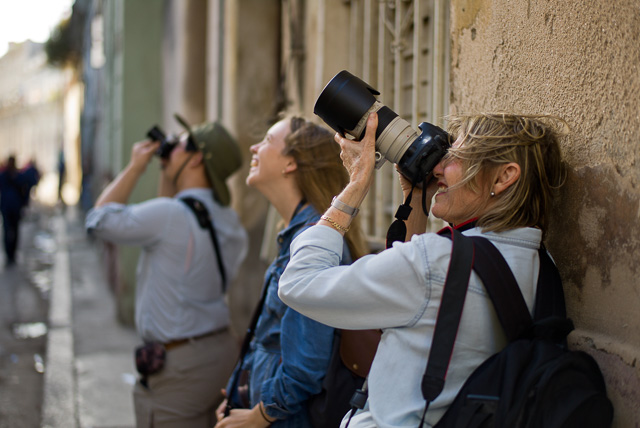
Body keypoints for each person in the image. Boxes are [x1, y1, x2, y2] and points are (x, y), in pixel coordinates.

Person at [278, 112, 567, 427]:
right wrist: (416, 199)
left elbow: (300, 284)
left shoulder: (437, 262)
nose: (439, 167)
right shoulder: (543, 265)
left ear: (503, 177)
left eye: (456, 157)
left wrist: (355, 185)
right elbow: (426, 311)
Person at [85, 116, 249, 427]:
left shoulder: (170, 216)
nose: (169, 148)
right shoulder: (229, 221)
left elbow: (98, 220)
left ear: (197, 158)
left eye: (179, 144)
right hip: (220, 353)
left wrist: (136, 166)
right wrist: (169, 168)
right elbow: (170, 234)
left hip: (179, 370)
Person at [215, 115, 369, 428]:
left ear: (290, 164)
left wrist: (260, 415)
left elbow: (307, 362)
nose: (255, 147)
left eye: (268, 141)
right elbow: (271, 337)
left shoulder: (314, 244)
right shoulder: (296, 234)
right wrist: (239, 394)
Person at [0, 155, 27, 266]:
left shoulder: (16, 176)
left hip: (13, 207)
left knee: (13, 230)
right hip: (8, 207)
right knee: (8, 230)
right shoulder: (6, 176)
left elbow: (23, 190)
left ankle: (11, 254)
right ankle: (9, 254)